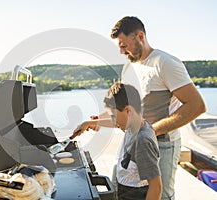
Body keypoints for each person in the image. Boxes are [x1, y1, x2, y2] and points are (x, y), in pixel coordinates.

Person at [88, 16, 206, 200]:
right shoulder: (129, 68)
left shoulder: (165, 63)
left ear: (139, 36)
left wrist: (149, 132)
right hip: (133, 140)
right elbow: (124, 107)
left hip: (163, 145)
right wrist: (99, 120)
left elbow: (196, 106)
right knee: (122, 189)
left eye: (124, 45)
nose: (121, 51)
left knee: (161, 195)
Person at [74, 83, 162, 200]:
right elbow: (116, 123)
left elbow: (156, 187)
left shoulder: (142, 141)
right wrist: (89, 123)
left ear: (128, 111)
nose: (114, 121)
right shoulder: (134, 124)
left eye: (114, 116)